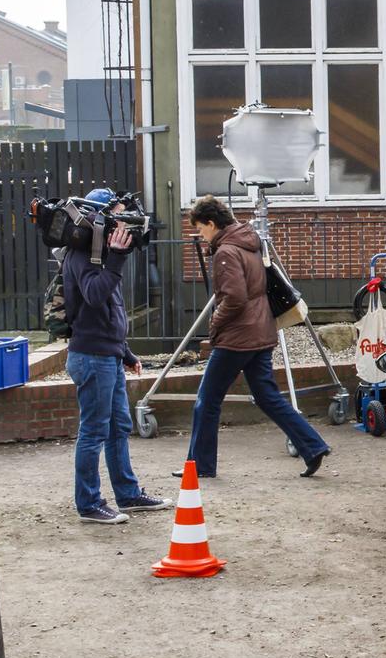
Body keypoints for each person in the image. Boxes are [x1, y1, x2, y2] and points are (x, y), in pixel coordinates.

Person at [185, 195, 332, 480]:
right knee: (267, 396)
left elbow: (235, 297)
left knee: (207, 399)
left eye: (201, 229)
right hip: (261, 331)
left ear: (212, 224)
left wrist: (215, 321)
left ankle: (200, 466)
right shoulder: (249, 243)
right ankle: (313, 446)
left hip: (236, 338)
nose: (201, 236)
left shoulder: (226, 251)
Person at [63, 189, 170, 525]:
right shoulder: (82, 255)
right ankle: (89, 503)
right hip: (91, 357)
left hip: (106, 355)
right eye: (119, 217)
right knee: (94, 431)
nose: (125, 225)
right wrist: (118, 258)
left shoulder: (102, 255)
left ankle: (127, 493)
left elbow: (110, 311)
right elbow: (95, 296)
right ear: (101, 219)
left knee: (118, 427)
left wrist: (125, 352)